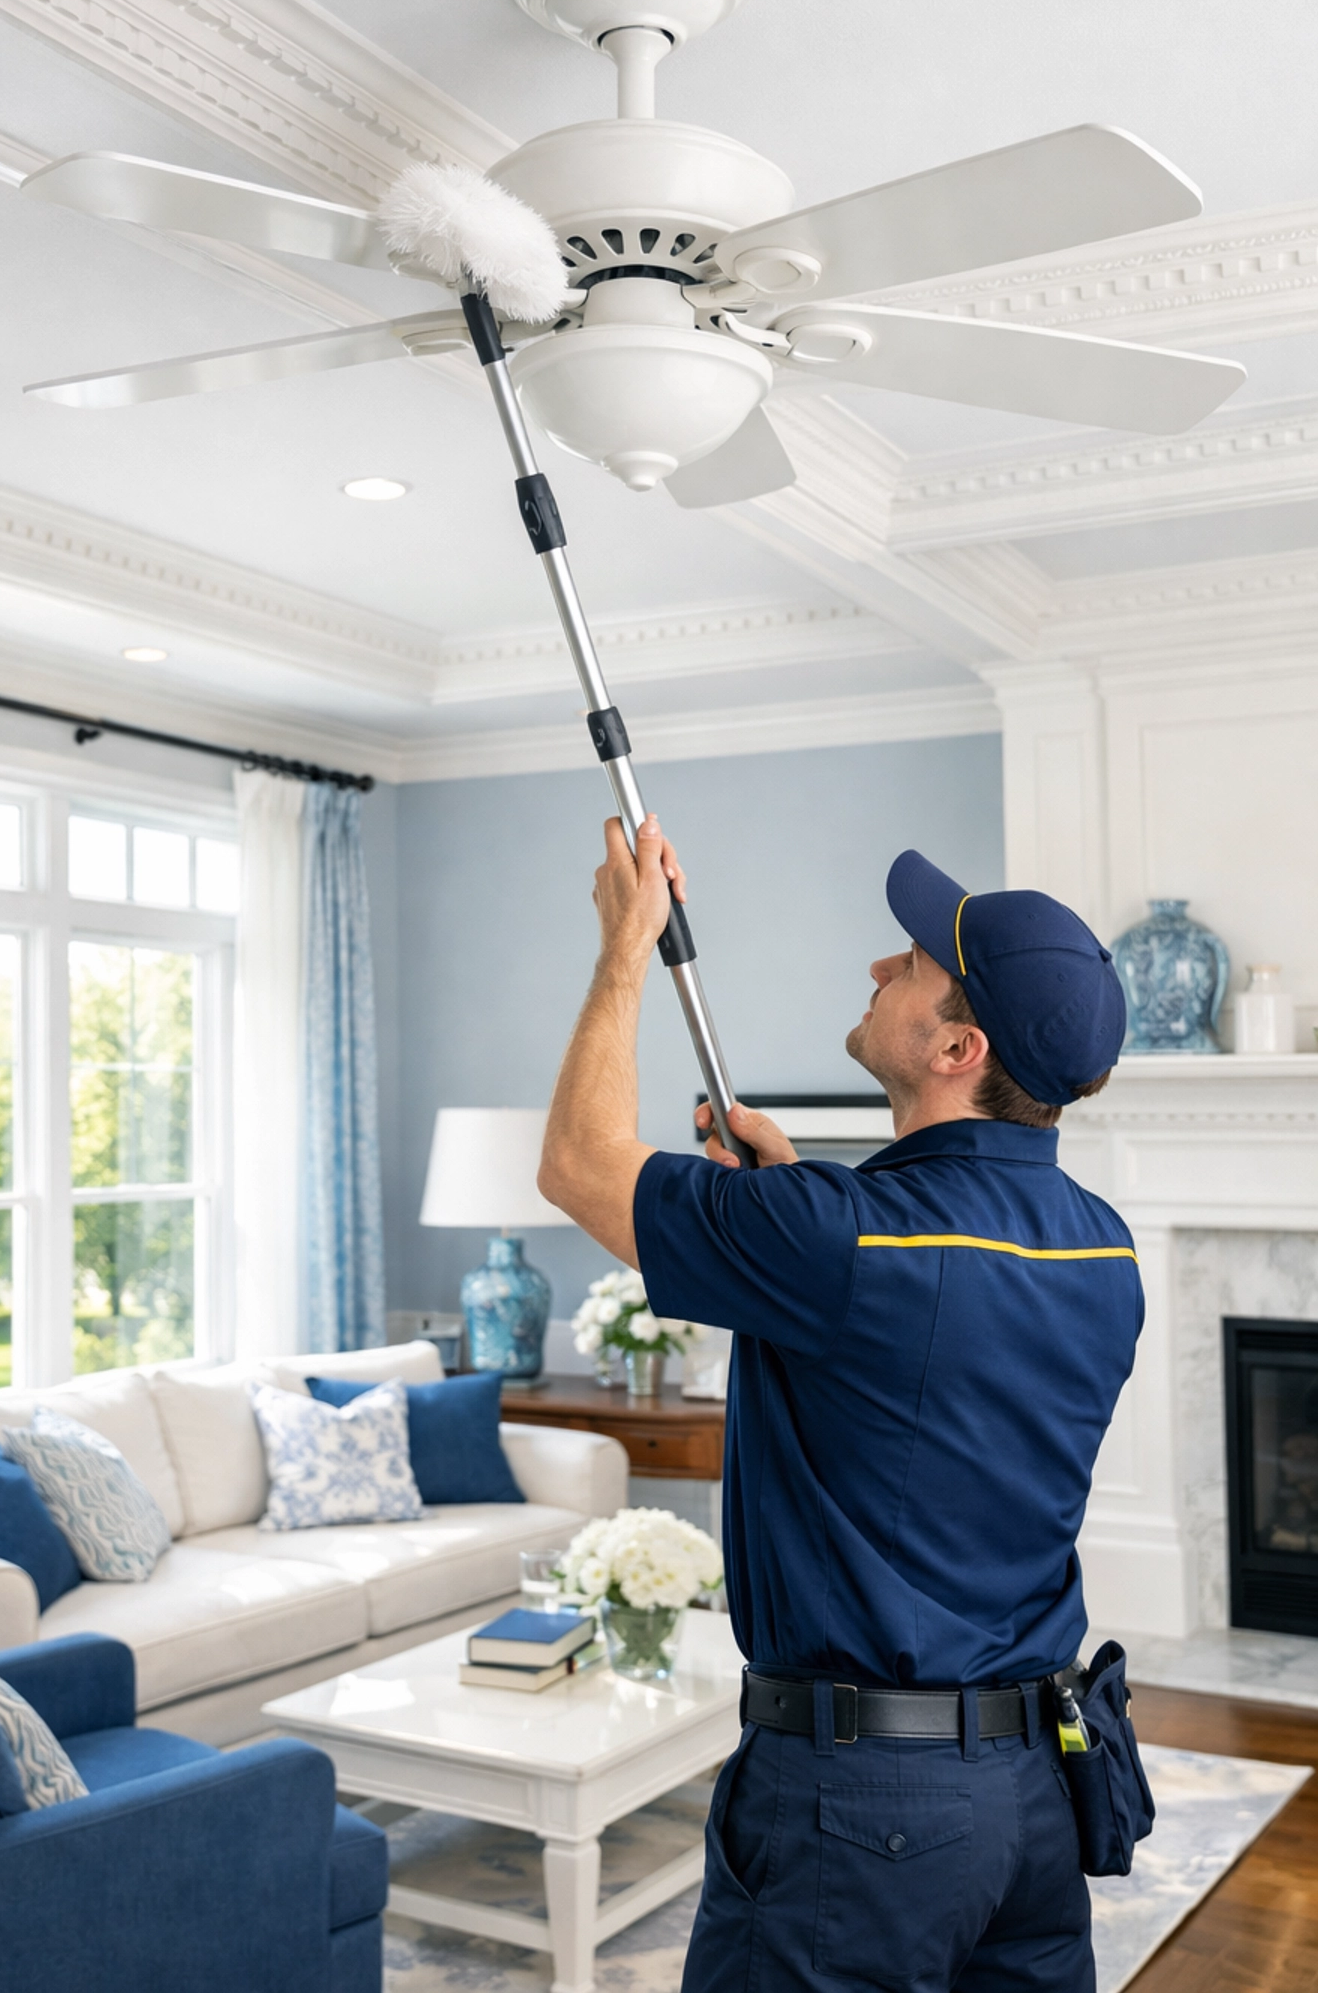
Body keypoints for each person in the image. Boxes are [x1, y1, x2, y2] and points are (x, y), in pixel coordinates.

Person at [539, 815, 1141, 1993]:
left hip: (864, 1816)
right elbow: (921, 1354)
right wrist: (790, 1209)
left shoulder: (842, 1240)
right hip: (1034, 1804)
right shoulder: (1102, 1252)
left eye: (911, 965)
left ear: (959, 1048)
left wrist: (625, 945)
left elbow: (576, 1160)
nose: (881, 965)